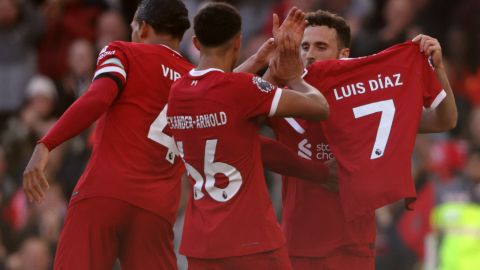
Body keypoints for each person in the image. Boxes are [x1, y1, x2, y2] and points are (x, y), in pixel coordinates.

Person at [265, 10, 457, 270]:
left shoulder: (366, 100)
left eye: (321, 46)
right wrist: (275, 66)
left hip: (352, 248)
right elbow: (242, 118)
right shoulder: (283, 99)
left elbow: (443, 121)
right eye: (304, 46)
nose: (309, 54)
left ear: (343, 55)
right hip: (297, 246)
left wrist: (439, 69)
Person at [22, 0, 192, 269]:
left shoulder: (122, 51)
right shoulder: (196, 79)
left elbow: (98, 98)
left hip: (106, 192)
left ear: (144, 28)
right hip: (157, 208)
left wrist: (46, 144)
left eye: (133, 26)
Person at [167, 3, 329, 269]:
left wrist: (259, 60)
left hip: (201, 246)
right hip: (251, 242)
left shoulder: (178, 91)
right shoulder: (240, 90)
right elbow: (319, 108)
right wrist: (294, 76)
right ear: (238, 42)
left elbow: (222, 95)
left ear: (195, 42)